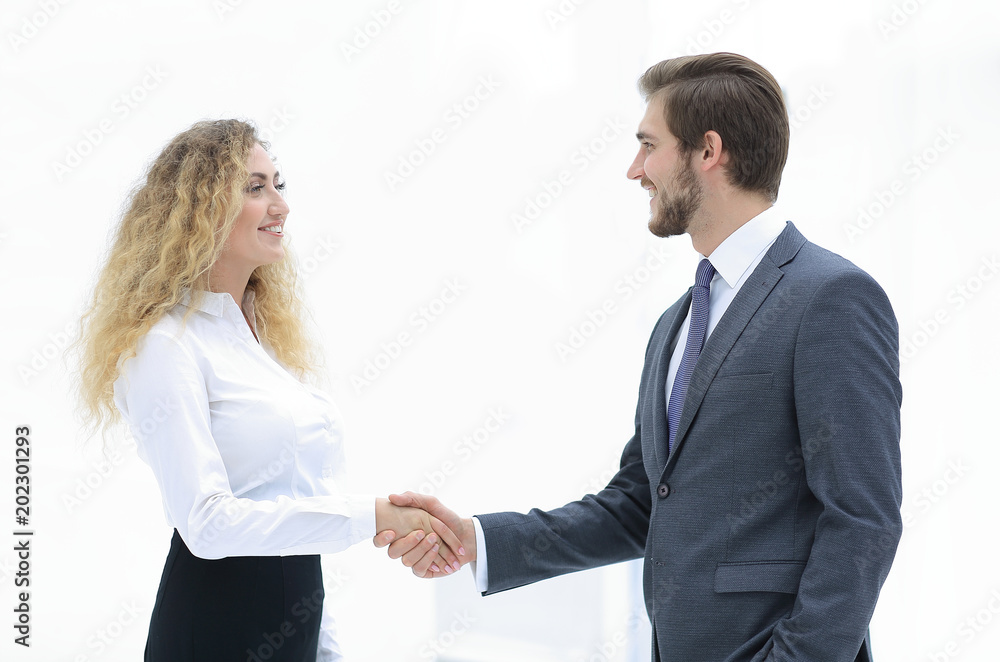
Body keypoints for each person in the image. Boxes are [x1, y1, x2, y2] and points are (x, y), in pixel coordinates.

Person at [376, 53, 903, 662]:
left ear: (708, 151)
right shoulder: (674, 324)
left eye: (648, 145)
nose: (635, 170)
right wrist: (477, 539)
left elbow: (864, 518)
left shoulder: (830, 296)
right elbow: (640, 503)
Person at [72, 119, 465, 662]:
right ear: (199, 210)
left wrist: (323, 647)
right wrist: (375, 515)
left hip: (294, 620)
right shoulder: (166, 346)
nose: (280, 205)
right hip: (215, 627)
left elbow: (296, 512)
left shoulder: (262, 340)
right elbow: (206, 526)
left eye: (278, 184)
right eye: (255, 188)